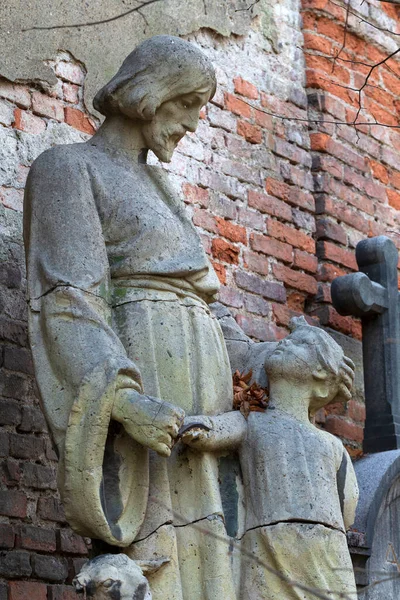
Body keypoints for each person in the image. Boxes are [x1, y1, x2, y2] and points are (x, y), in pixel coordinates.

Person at [24, 36, 273, 600]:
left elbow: (205, 299)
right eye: (189, 103)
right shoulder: (69, 169)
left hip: (202, 391)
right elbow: (69, 298)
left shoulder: (161, 186)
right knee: (156, 560)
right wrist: (125, 402)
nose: (193, 122)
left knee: (215, 563)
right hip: (145, 372)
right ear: (150, 93)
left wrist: (259, 358)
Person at [182, 317, 359, 600]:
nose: (285, 342)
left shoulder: (332, 445)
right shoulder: (252, 424)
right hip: (267, 546)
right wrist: (191, 428)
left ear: (322, 379)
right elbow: (212, 430)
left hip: (328, 552)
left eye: (301, 345)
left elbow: (347, 507)